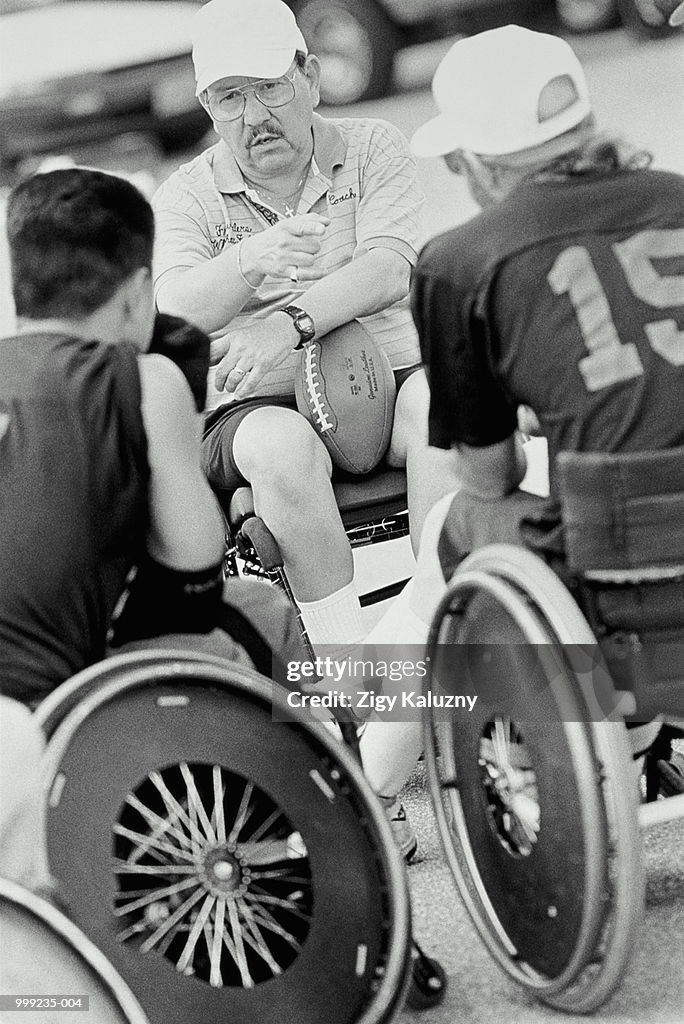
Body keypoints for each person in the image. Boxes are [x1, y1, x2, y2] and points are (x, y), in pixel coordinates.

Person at [358, 24, 684, 802]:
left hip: (622, 579)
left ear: (470, 160)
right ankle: (635, 726)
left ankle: (369, 781)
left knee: (454, 524)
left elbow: (490, 473)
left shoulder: (458, 261)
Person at [151, 0, 461, 661]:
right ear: (208, 107)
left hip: (391, 374)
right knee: (281, 450)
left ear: (311, 77)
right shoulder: (187, 195)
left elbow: (388, 268)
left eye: (269, 87)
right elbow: (174, 310)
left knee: (446, 408)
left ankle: (437, 634)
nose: (253, 116)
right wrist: (247, 262)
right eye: (229, 98)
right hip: (257, 404)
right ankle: (347, 666)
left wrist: (289, 324)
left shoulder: (373, 144)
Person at [0, 167, 304, 711]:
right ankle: (336, 788)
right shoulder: (142, 380)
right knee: (262, 611)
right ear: (140, 292)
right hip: (58, 705)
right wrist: (180, 422)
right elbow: (193, 574)